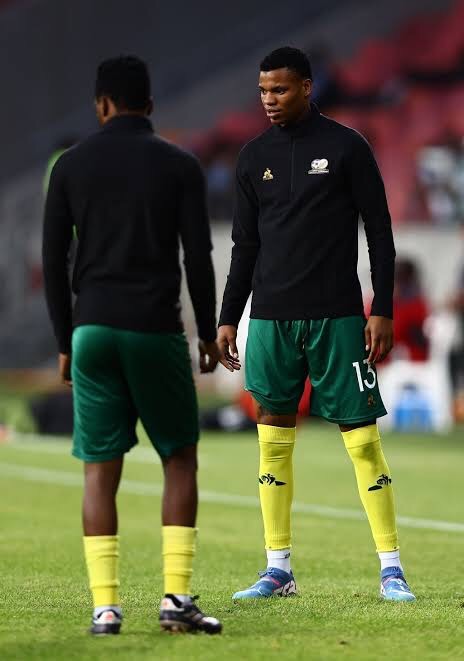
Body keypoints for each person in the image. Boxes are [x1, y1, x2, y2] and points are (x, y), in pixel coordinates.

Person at [217, 47, 415, 602]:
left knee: (363, 441)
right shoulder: (253, 157)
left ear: (306, 86)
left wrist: (382, 309)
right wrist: (229, 317)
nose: (269, 100)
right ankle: (277, 569)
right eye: (263, 91)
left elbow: (380, 230)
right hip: (271, 318)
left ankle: (391, 569)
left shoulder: (348, 147)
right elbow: (244, 245)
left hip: (338, 317)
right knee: (272, 442)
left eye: (279, 89)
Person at [42, 55, 222, 635]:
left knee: (99, 470)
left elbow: (53, 261)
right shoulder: (180, 165)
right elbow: (199, 256)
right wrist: (207, 331)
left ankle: (105, 608)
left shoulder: (69, 166)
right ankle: (175, 600)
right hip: (153, 327)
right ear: (149, 105)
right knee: (179, 458)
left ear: (101, 105)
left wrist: (64, 339)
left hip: (91, 329)